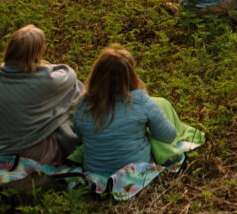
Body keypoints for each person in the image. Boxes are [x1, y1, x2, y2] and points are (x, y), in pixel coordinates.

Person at [72, 47, 184, 179]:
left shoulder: (83, 104)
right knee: (161, 105)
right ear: (131, 75)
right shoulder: (141, 102)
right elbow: (168, 136)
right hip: (134, 170)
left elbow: (80, 136)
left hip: (94, 171)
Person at [0, 25, 80, 164]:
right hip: (28, 149)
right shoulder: (46, 80)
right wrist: (45, 67)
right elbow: (70, 74)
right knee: (74, 89)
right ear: (36, 52)